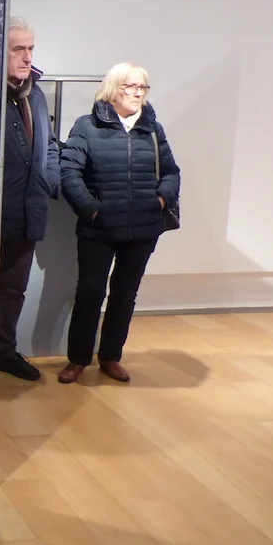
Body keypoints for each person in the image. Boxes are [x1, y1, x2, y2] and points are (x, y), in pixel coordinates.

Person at [58, 63, 180, 384]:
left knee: (125, 295)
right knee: (90, 293)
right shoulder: (86, 126)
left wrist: (160, 201)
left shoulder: (152, 129)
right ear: (113, 88)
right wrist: (92, 210)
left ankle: (110, 356)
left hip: (143, 230)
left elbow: (171, 172)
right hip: (98, 229)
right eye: (131, 86)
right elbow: (69, 172)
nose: (138, 93)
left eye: (142, 87)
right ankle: (78, 359)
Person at [0, 18, 60, 381]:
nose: (27, 56)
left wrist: (49, 180)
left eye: (30, 48)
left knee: (13, 290)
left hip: (28, 213)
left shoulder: (35, 93)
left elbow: (49, 145)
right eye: (18, 49)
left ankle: (3, 352)